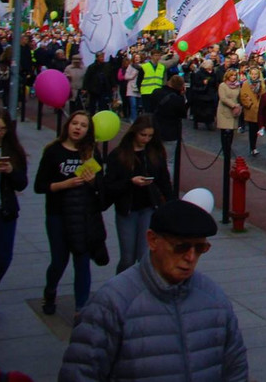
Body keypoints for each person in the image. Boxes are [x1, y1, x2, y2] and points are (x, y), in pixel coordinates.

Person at [59, 198, 247, 381]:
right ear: (153, 240)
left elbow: (235, 369)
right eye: (181, 247)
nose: (190, 257)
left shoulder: (214, 298)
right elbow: (80, 372)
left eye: (200, 248)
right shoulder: (111, 304)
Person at [35, 111, 106, 317]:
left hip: (83, 215)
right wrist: (63, 184)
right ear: (67, 125)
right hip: (57, 213)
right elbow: (40, 186)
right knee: (59, 260)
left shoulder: (91, 153)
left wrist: (93, 180)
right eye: (75, 123)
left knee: (82, 260)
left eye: (83, 125)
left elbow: (101, 187)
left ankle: (81, 308)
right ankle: (50, 292)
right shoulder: (53, 151)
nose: (78, 128)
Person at [103, 115, 173, 274]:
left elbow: (164, 180)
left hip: (148, 207)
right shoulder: (119, 154)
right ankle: (121, 286)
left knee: (143, 255)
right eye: (143, 135)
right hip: (127, 208)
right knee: (127, 258)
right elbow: (109, 184)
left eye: (150, 136)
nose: (146, 139)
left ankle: (141, 289)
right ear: (134, 132)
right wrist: (130, 181)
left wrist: (170, 204)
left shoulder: (155, 153)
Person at [0, 109, 26, 332]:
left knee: (3, 260)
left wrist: (11, 171)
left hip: (5, 211)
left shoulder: (12, 151)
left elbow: (22, 183)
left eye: (2, 129)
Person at [150, 75, 187, 171]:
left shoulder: (156, 92)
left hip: (154, 129)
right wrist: (182, 96)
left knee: (152, 158)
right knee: (169, 161)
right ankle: (168, 183)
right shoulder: (178, 99)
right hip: (171, 132)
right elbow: (182, 114)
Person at [215, 69, 242, 160]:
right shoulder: (223, 86)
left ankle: (228, 148)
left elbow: (239, 97)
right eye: (232, 75)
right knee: (224, 132)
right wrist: (233, 105)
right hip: (225, 111)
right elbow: (223, 98)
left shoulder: (237, 86)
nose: (233, 77)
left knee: (231, 132)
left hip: (234, 112)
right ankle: (225, 149)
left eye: (235, 75)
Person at [239, 66, 262, 158]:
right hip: (251, 110)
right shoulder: (245, 84)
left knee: (256, 129)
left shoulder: (261, 84)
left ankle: (254, 146)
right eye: (252, 74)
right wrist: (249, 103)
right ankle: (253, 147)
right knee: (252, 129)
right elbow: (243, 96)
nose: (254, 76)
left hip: (259, 110)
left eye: (255, 74)